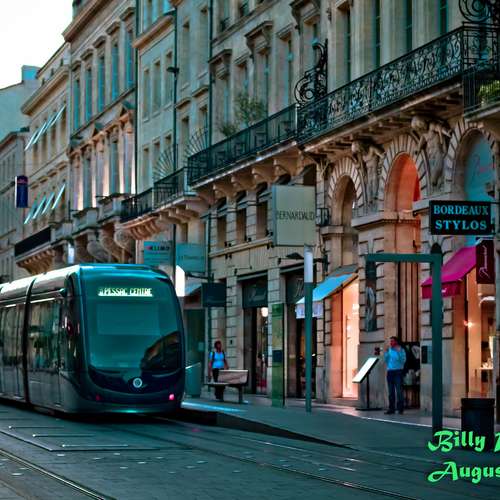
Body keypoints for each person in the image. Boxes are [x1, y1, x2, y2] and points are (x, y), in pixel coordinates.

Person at [383, 336, 406, 414]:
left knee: (399, 391)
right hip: (390, 372)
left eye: (392, 341)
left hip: (398, 372)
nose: (391, 343)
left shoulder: (401, 350)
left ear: (396, 342)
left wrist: (398, 352)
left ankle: (400, 408)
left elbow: (403, 361)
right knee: (390, 392)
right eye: (390, 341)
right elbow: (386, 360)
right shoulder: (389, 350)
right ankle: (391, 408)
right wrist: (386, 353)